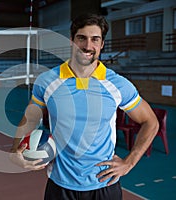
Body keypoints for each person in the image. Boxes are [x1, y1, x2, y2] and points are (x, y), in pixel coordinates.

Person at [10, 13, 159, 200]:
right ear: (72, 40)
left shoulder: (117, 84)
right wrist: (15, 151)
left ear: (102, 44)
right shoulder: (48, 81)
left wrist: (130, 162)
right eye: (82, 38)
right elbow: (31, 118)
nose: (88, 46)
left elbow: (150, 121)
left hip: (104, 184)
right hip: (60, 185)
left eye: (95, 39)